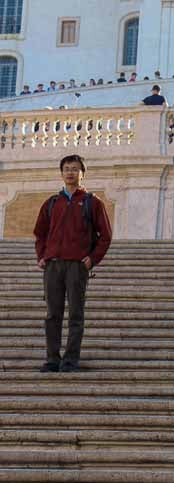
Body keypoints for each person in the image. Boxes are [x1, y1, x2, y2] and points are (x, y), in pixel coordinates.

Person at [33, 155, 112, 372]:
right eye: (67, 169)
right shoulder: (52, 203)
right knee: (52, 314)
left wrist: (92, 259)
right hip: (53, 265)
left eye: (75, 169)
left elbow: (105, 236)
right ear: (61, 173)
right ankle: (52, 359)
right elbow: (40, 233)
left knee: (76, 314)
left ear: (82, 173)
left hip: (77, 266)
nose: (70, 172)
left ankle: (70, 360)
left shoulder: (92, 203)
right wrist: (41, 255)